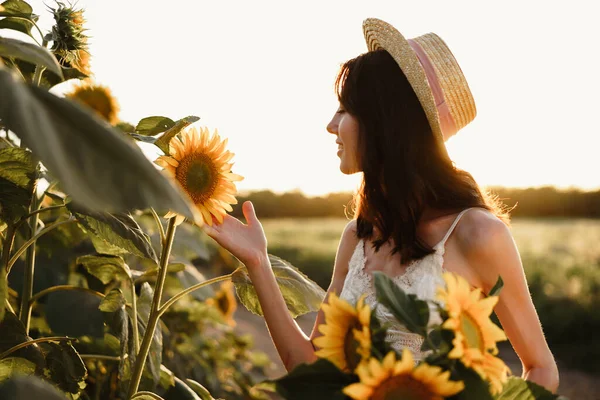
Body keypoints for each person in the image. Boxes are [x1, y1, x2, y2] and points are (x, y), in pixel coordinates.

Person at [202, 18, 559, 392]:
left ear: (384, 120)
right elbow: (309, 366)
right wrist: (258, 261)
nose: (330, 125)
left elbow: (540, 368)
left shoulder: (478, 234)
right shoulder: (357, 237)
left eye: (344, 110)